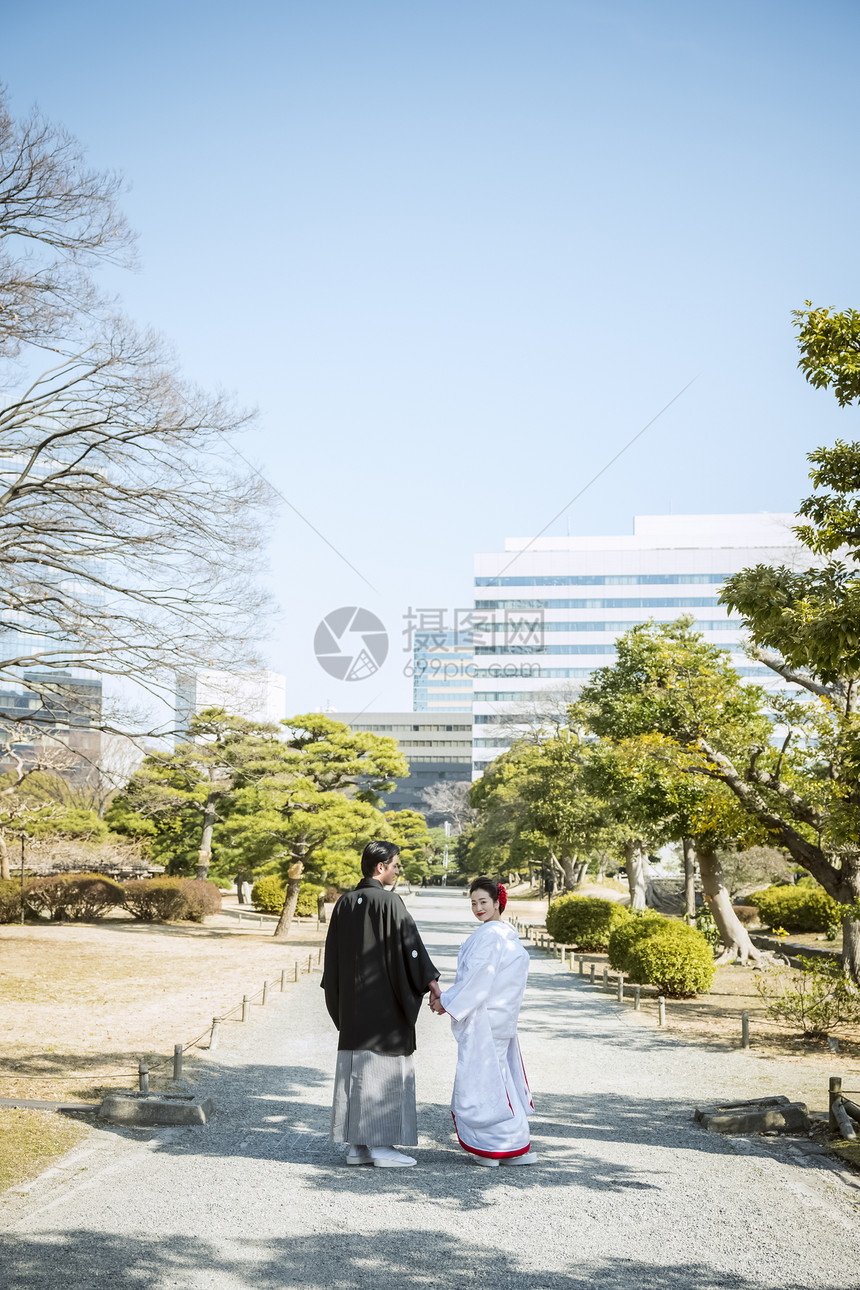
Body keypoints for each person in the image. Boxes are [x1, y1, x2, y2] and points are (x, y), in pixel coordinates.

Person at [322, 840, 441, 1168]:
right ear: (380, 867)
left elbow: (331, 959)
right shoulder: (390, 903)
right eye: (395, 865)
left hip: (352, 1007)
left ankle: (357, 1146)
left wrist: (340, 1002)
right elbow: (411, 947)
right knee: (382, 1069)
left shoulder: (344, 904)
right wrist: (432, 985)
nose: (397, 870)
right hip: (384, 1007)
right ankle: (381, 1147)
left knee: (356, 1068)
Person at [430, 876, 535, 1166]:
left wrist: (445, 1001)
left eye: (483, 902)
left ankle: (492, 1147)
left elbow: (478, 978)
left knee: (483, 1082)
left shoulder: (490, 936)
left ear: (498, 902)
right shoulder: (508, 937)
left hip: (485, 1021)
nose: (478, 908)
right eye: (473, 903)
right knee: (500, 1080)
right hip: (501, 1020)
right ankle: (514, 1144)